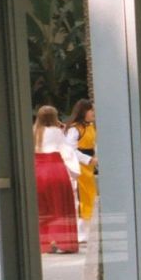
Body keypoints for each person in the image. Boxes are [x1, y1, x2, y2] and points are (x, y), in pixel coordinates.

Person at [33, 105, 79, 254]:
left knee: (43, 209)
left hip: (37, 170)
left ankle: (46, 242)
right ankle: (61, 242)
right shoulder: (57, 131)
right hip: (55, 169)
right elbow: (67, 151)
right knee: (59, 206)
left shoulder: (34, 131)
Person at [64, 98, 97, 242]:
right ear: (84, 111)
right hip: (78, 166)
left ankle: (87, 230)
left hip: (88, 166)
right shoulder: (75, 129)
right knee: (82, 197)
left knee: (90, 196)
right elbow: (70, 149)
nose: (93, 112)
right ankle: (82, 232)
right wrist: (88, 159)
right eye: (91, 110)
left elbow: (93, 144)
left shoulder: (90, 127)